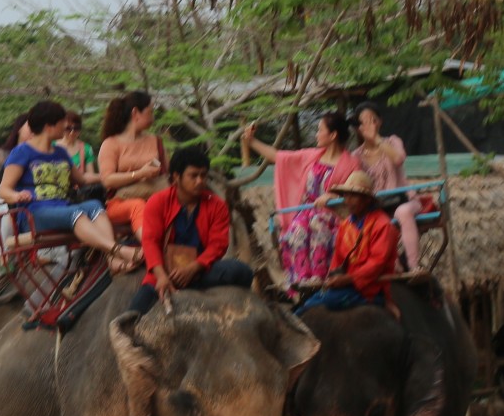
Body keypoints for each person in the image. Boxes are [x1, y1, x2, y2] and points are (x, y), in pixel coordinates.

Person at [0, 99, 141, 274]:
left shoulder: (60, 153)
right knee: (76, 213)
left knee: (95, 206)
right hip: (34, 213)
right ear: (49, 127)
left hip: (62, 207)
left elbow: (82, 179)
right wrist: (16, 196)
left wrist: (118, 176)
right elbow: (3, 189)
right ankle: (118, 250)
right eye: (62, 123)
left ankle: (111, 259)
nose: (66, 127)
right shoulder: (21, 152)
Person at [129, 145, 254, 315]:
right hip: (167, 272)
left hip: (200, 271)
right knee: (134, 312)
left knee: (241, 271)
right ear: (176, 177)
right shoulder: (157, 202)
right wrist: (161, 276)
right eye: (193, 176)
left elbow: (218, 245)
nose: (200, 181)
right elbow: (150, 241)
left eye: (203, 175)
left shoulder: (217, 205)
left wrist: (195, 267)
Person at [243, 109, 359, 288]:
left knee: (316, 222)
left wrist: (334, 195)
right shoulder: (312, 156)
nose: (316, 134)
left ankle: (320, 276)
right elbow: (279, 157)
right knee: (297, 228)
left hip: (333, 216)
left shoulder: (351, 163)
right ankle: (301, 278)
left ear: (333, 135)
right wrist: (252, 142)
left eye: (320, 130)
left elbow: (356, 191)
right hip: (306, 212)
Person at [304, 170, 398, 311]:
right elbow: (338, 258)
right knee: (307, 304)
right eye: (346, 195)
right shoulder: (345, 225)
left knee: (328, 302)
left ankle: (380, 301)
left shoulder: (383, 225)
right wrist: (333, 277)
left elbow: (377, 263)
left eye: (353, 196)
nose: (347, 200)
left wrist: (347, 279)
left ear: (367, 200)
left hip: (371, 285)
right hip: (347, 284)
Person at [353, 101, 424, 274]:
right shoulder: (356, 156)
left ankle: (414, 265)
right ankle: (390, 264)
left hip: (404, 199)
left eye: (373, 120)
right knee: (369, 221)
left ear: (380, 122)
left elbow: (398, 159)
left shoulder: (392, 141)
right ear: (358, 128)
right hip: (378, 206)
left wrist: (376, 140)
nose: (370, 125)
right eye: (365, 122)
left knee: (402, 212)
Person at [96, 90, 167, 232]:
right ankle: (150, 247)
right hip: (121, 202)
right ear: (135, 113)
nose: (153, 117)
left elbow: (168, 174)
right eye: (150, 112)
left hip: (155, 197)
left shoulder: (156, 141)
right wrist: (140, 173)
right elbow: (107, 180)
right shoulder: (111, 143)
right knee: (138, 206)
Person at [60, 112, 98, 179]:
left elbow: (90, 174)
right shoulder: (51, 146)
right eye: (68, 128)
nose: (72, 132)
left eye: (76, 128)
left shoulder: (86, 148)